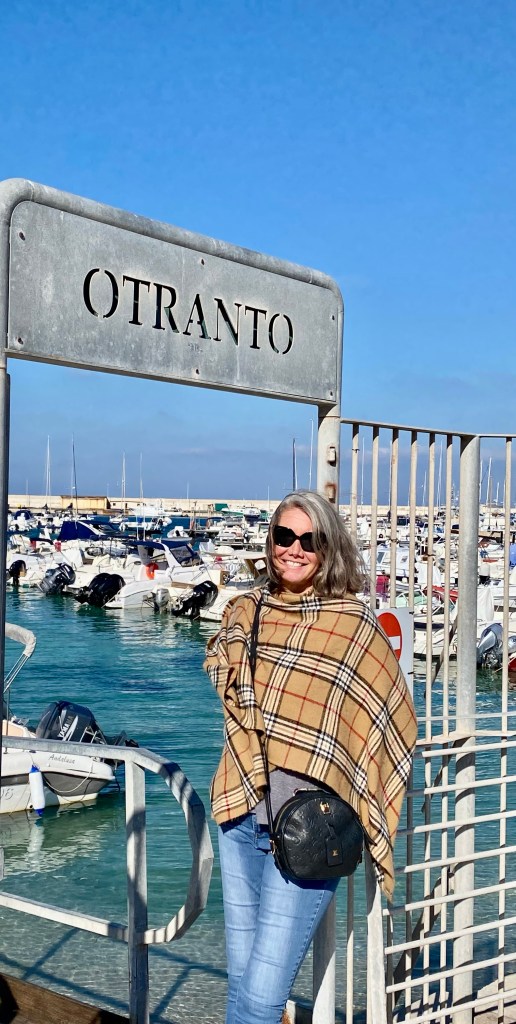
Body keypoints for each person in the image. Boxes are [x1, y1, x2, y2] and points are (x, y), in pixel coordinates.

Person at [204, 491, 417, 1024]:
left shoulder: (353, 624)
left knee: (261, 997)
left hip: (311, 827)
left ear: (328, 548)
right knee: (242, 983)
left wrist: (356, 781)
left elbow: (392, 717)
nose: (295, 549)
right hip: (240, 809)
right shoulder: (246, 611)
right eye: (285, 536)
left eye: (310, 539)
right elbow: (229, 685)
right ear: (270, 540)